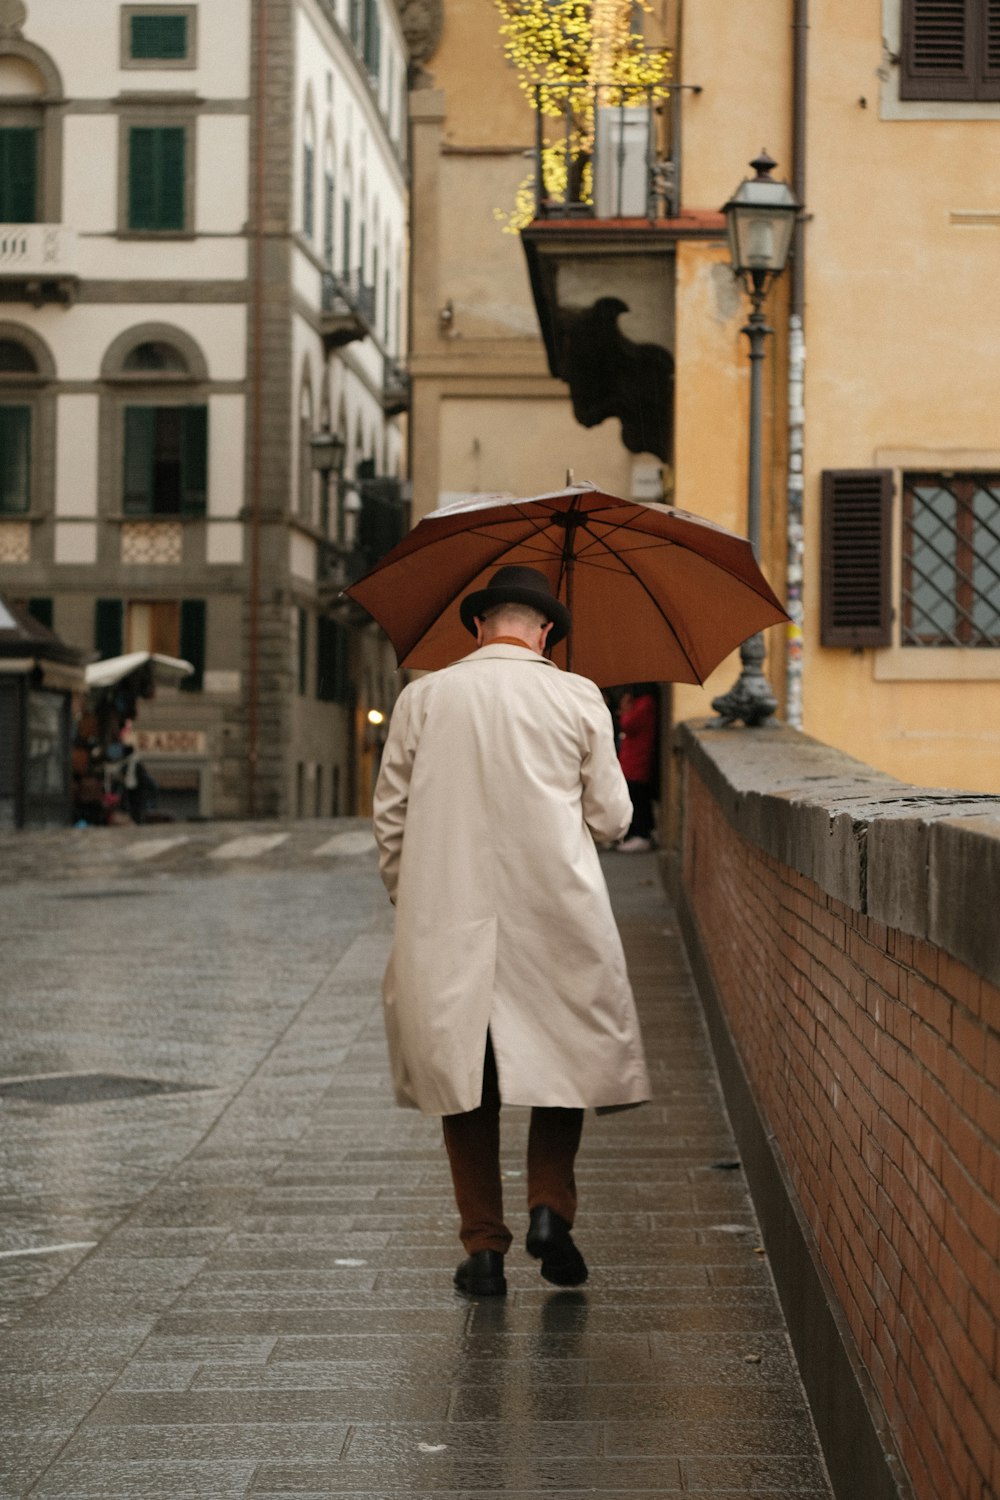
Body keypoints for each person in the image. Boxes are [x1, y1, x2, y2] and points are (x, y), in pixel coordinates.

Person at [373, 564, 650, 1298]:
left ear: (476, 627)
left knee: (465, 1077)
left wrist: (414, 900)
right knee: (564, 1060)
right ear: (546, 632)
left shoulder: (423, 697)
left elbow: (391, 819)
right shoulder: (576, 693)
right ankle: (550, 1211)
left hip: (448, 913)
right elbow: (615, 819)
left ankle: (484, 1248)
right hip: (556, 908)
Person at [616, 684, 657, 852]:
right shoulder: (641, 702)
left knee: (638, 797)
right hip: (632, 758)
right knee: (634, 795)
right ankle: (637, 833)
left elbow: (627, 723)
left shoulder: (644, 703)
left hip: (637, 758)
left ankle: (642, 834)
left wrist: (624, 709)